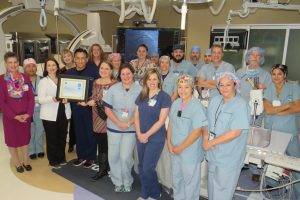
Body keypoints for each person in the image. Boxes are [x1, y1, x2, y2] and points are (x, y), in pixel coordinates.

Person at [203, 72, 250, 200]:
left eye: (228, 84)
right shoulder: (215, 101)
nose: (224, 88)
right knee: (212, 188)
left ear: (235, 84)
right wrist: (206, 139)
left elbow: (235, 132)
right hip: (213, 153)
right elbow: (206, 123)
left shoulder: (241, 104)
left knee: (222, 192)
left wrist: (211, 143)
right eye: (221, 84)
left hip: (229, 157)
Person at [167, 74, 208, 200]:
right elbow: (171, 124)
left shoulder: (197, 106)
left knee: (190, 183)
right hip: (174, 150)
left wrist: (181, 147)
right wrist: (169, 143)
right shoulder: (175, 104)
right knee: (177, 179)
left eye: (186, 87)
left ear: (192, 89)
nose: (182, 90)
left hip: (189, 152)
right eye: (180, 87)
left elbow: (197, 132)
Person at [263, 64, 300, 199]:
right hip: (273, 132)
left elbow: (297, 107)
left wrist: (276, 111)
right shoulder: (269, 89)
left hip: (289, 132)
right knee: (273, 162)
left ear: (285, 75)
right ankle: (271, 187)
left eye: (279, 74)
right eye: (274, 74)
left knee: (296, 164)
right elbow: (268, 110)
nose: (276, 77)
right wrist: (288, 105)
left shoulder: (294, 88)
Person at [103, 64, 141, 192]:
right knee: (113, 156)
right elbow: (107, 108)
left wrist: (129, 122)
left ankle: (127, 180)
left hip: (130, 128)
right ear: (120, 75)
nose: (126, 76)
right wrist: (118, 122)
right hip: (114, 127)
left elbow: (140, 110)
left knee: (125, 157)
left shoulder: (140, 89)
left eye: (128, 73)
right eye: (123, 74)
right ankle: (117, 181)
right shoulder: (113, 89)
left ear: (132, 74)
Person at [134, 69, 171, 200]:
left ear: (159, 80)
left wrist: (146, 135)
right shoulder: (142, 95)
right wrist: (139, 133)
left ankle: (155, 193)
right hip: (140, 135)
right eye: (149, 79)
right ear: (145, 81)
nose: (152, 82)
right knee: (140, 166)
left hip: (155, 137)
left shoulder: (164, 97)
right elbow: (136, 115)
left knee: (148, 168)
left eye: (155, 79)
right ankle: (144, 193)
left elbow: (161, 121)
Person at [0, 52, 34, 173]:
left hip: (25, 116)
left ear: (18, 63)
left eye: (15, 62)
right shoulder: (1, 80)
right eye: (10, 62)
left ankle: (26, 161)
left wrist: (28, 113)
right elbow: (2, 102)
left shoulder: (25, 78)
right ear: (5, 64)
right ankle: (17, 163)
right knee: (12, 141)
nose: (13, 65)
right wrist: (14, 116)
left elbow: (31, 97)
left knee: (25, 140)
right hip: (11, 118)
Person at [66, 48, 99, 168]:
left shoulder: (93, 71)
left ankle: (90, 157)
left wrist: (90, 100)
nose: (80, 61)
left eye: (82, 58)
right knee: (79, 132)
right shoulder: (69, 73)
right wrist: (65, 98)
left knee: (89, 132)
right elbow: (66, 91)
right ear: (74, 59)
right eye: (78, 58)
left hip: (89, 108)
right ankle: (81, 156)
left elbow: (97, 89)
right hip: (76, 108)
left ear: (86, 59)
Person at [38, 58, 71, 169]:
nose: (51, 67)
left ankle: (61, 158)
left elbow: (68, 94)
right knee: (52, 138)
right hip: (49, 114)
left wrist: (68, 99)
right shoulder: (43, 81)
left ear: (57, 66)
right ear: (46, 68)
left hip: (63, 111)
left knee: (62, 137)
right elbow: (40, 99)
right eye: (49, 65)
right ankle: (53, 160)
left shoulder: (63, 79)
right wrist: (51, 98)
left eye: (53, 65)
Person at [89, 61, 117, 181]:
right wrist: (85, 101)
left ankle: (110, 168)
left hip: (110, 118)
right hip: (96, 117)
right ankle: (103, 169)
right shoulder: (95, 82)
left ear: (111, 71)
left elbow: (116, 102)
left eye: (107, 68)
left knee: (111, 145)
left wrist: (95, 102)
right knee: (101, 144)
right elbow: (93, 96)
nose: (104, 70)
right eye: (102, 68)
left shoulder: (116, 85)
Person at [23, 58, 45, 159]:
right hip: (28, 110)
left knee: (40, 130)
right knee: (30, 131)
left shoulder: (42, 79)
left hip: (41, 109)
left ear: (36, 67)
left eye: (33, 66)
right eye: (28, 66)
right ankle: (31, 150)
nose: (31, 68)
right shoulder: (21, 80)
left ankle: (39, 149)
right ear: (24, 68)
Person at [60, 48, 76, 153]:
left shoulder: (78, 68)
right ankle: (70, 144)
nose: (67, 58)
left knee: (75, 123)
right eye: (64, 56)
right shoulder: (61, 71)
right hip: (66, 101)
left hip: (77, 100)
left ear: (72, 56)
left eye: (68, 55)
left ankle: (75, 142)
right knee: (67, 123)